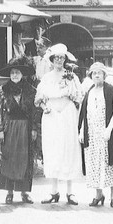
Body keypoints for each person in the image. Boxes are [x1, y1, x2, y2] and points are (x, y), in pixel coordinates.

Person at [35, 43, 84, 205]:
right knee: (53, 150)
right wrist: (45, 107)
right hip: (51, 117)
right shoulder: (47, 78)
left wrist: (72, 96)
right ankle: (53, 191)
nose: (59, 60)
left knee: (69, 149)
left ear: (65, 59)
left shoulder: (71, 77)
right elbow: (38, 99)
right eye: (56, 58)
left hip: (68, 114)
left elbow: (79, 97)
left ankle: (70, 192)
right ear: (51, 59)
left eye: (61, 58)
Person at [77, 62, 113, 207]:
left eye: (99, 73)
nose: (96, 75)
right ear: (91, 76)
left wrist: (109, 129)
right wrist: (82, 130)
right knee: (94, 163)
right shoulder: (89, 91)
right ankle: (98, 194)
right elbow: (84, 113)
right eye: (94, 73)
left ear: (104, 75)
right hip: (92, 134)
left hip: (106, 134)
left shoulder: (110, 90)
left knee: (109, 163)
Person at [0, 56, 40, 204]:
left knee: (25, 160)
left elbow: (34, 111)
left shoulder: (31, 90)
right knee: (8, 159)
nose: (15, 75)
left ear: (23, 74)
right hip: (9, 127)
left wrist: (34, 128)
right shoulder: (3, 90)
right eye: (12, 72)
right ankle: (9, 192)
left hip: (25, 128)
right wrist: (0, 129)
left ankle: (24, 193)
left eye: (18, 72)